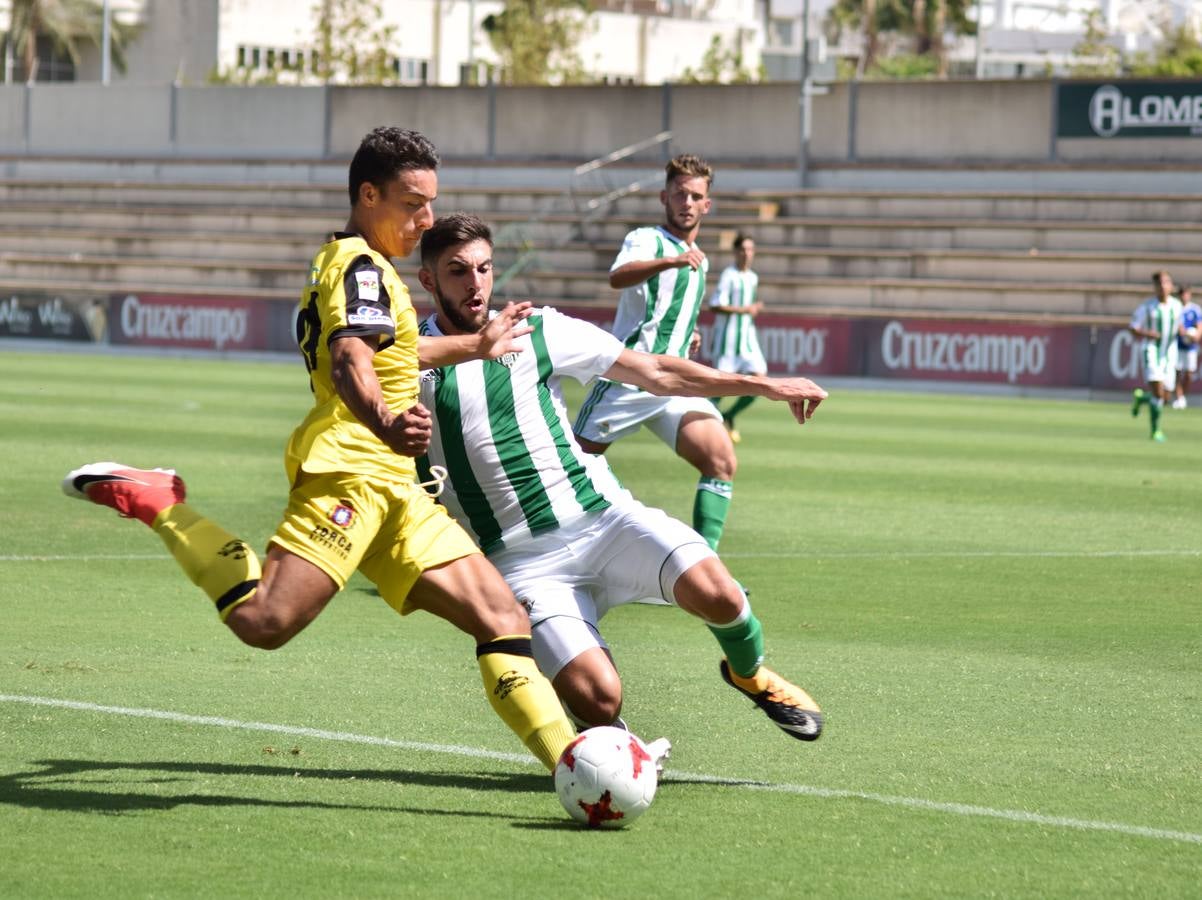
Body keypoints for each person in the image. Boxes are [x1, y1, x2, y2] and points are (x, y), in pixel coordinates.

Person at [60, 127, 577, 772]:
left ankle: (572, 764)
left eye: (431, 203)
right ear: (368, 195)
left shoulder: (364, 265)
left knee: (501, 615)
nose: (427, 219)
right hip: (354, 471)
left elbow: (392, 349)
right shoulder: (361, 265)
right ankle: (160, 502)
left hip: (399, 485)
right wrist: (388, 422)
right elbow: (350, 358)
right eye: (413, 203)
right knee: (264, 620)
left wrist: (475, 346)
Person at [414, 213, 828, 743]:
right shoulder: (407, 360)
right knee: (599, 697)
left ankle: (749, 675)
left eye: (484, 268)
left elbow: (654, 370)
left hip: (603, 519)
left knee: (721, 594)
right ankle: (608, 745)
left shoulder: (536, 329)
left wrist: (762, 385)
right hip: (521, 563)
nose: (475, 284)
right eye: (457, 271)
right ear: (429, 280)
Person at [572, 154, 738, 551]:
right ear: (665, 197)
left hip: (676, 382)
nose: (687, 203)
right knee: (570, 468)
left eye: (696, 196)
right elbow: (618, 277)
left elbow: (668, 310)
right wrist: (670, 260)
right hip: (630, 377)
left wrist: (687, 333)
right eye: (679, 194)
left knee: (720, 461)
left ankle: (704, 565)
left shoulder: (701, 259)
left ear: (707, 205)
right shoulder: (647, 239)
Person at [707, 233, 766, 444]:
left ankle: (728, 416)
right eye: (743, 249)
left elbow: (748, 309)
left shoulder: (753, 277)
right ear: (735, 252)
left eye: (750, 249)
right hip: (728, 342)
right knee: (719, 389)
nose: (747, 254)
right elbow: (715, 305)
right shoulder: (728, 275)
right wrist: (745, 309)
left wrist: (752, 309)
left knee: (760, 380)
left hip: (747, 342)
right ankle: (705, 428)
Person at [1129, 270, 1185, 442]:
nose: (1163, 286)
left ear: (1171, 285)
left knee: (1165, 397)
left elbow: (1179, 327)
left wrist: (1188, 334)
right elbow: (1133, 328)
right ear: (1154, 287)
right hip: (1151, 351)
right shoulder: (1147, 307)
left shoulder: (1177, 305)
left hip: (1169, 353)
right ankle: (1155, 431)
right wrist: (1147, 333)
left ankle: (1141, 398)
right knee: (1159, 394)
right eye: (1159, 283)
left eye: (1166, 282)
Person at [1173, 283, 1200, 410]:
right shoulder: (1175, 308)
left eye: (1186, 294)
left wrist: (1196, 336)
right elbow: (1176, 325)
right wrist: (1181, 331)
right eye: (1182, 294)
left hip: (1191, 347)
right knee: (1177, 372)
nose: (1184, 296)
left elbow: (1200, 326)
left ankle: (1182, 396)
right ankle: (1179, 398)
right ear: (1179, 295)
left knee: (1189, 374)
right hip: (1177, 345)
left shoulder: (1195, 309)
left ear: (1189, 295)